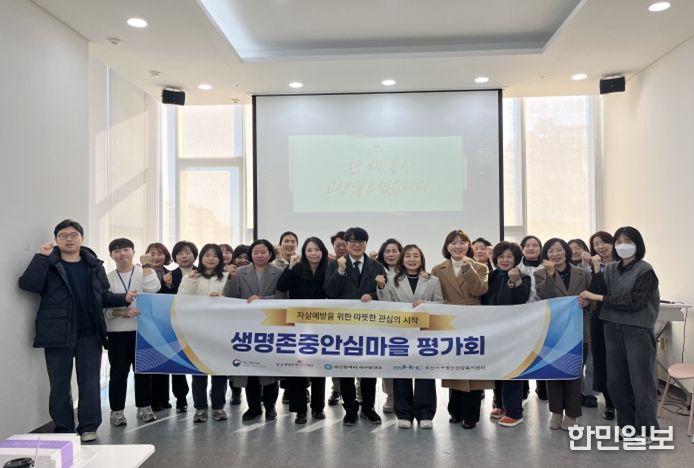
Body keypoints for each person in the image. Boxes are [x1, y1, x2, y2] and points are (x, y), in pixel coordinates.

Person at [18, 219, 134, 443]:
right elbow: (29, 285)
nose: (69, 239)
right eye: (63, 236)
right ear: (56, 240)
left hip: (90, 334)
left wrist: (124, 298)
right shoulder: (49, 263)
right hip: (57, 333)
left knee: (90, 383)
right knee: (59, 385)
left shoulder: (94, 265)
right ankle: (64, 428)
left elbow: (102, 296)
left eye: (73, 235)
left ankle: (89, 427)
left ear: (82, 238)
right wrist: (41, 257)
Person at [580, 227, 659, 438]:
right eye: (619, 242)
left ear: (638, 245)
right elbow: (598, 290)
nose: (623, 246)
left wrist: (598, 298)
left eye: (628, 241)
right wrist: (595, 274)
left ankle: (647, 429)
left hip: (637, 330)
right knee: (616, 381)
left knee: (641, 382)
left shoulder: (645, 270)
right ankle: (627, 426)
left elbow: (634, 302)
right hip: (611, 329)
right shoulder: (611, 268)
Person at [324, 227, 386, 425]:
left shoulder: (376, 266)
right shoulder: (336, 265)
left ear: (366, 244)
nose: (357, 245)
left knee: (369, 369)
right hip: (344, 327)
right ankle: (350, 409)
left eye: (361, 241)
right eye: (352, 241)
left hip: (370, 326)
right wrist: (341, 271)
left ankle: (368, 408)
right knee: (346, 370)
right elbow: (330, 291)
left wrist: (374, 294)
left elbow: (384, 294)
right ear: (347, 244)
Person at [377, 244, 442, 429]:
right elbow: (387, 305)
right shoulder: (391, 280)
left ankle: (425, 413)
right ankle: (404, 413)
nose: (412, 259)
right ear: (402, 259)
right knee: (401, 372)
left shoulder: (433, 280)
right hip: (401, 334)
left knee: (425, 373)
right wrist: (381, 287)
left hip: (424, 334)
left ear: (421, 259)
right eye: (408, 256)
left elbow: (440, 303)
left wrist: (426, 303)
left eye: (416, 256)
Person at [431, 229, 491, 430]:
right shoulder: (438, 269)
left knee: (472, 368)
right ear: (447, 246)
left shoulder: (480, 267)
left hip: (473, 320)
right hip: (449, 321)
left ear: (468, 245)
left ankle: (471, 415)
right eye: (453, 243)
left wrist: (467, 268)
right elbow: (434, 295)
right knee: (454, 366)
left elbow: (480, 290)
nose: (458, 246)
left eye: (462, 242)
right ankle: (455, 410)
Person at [224, 239, 284, 422]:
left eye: (263, 252)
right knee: (250, 369)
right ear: (251, 254)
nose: (259, 255)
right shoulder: (240, 272)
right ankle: (253, 408)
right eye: (256, 252)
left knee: (270, 371)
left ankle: (270, 407)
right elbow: (230, 297)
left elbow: (284, 297)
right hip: (247, 327)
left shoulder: (279, 272)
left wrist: (262, 300)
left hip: (271, 325)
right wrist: (230, 279)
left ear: (270, 254)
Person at [534, 238, 591, 431]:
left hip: (579, 330)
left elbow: (593, 298)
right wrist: (550, 275)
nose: (555, 254)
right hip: (554, 331)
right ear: (546, 255)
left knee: (574, 373)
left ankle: (572, 414)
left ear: (566, 252)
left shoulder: (582, 273)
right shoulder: (540, 274)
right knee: (554, 373)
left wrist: (587, 303)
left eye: (559, 250)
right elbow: (544, 296)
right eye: (550, 251)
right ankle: (556, 412)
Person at [104, 238, 161, 426]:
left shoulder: (144, 271)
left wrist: (147, 265)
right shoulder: (108, 278)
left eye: (125, 249)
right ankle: (117, 412)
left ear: (133, 252)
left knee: (143, 371)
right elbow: (103, 308)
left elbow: (153, 289)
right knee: (118, 373)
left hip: (143, 331)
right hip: (117, 333)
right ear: (111, 255)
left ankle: (144, 408)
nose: (122, 254)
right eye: (116, 251)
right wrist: (121, 312)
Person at [276, 237, 330, 424]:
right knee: (298, 366)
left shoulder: (329, 268)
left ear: (322, 252)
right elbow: (282, 287)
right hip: (297, 324)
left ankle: (318, 407)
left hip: (321, 324)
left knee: (319, 367)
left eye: (316, 250)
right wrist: (290, 267)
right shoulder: (297, 267)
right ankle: (300, 410)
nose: (313, 253)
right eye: (309, 250)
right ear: (304, 253)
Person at [177, 243, 229, 423]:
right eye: (207, 255)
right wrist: (190, 281)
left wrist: (221, 299)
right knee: (198, 371)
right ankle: (200, 408)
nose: (211, 258)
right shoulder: (191, 276)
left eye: (215, 255)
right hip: (197, 331)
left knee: (219, 371)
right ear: (201, 258)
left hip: (221, 331)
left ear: (220, 259)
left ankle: (218, 407)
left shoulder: (227, 277)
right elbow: (181, 300)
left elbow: (234, 299)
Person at [482, 241, 531, 428]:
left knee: (512, 370)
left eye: (509, 256)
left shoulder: (523, 277)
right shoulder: (491, 276)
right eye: (501, 256)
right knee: (497, 368)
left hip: (513, 332)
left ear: (516, 259)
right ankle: (499, 405)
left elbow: (521, 298)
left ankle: (514, 412)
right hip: (492, 331)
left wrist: (514, 281)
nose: (505, 260)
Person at [587, 231, 620, 420]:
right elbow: (596, 292)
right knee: (602, 361)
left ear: (613, 243)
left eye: (604, 242)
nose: (601, 246)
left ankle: (624, 400)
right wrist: (596, 269)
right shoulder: (594, 267)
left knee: (620, 361)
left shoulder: (625, 264)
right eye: (596, 244)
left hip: (621, 319)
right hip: (599, 318)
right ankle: (609, 403)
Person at [162, 240, 199, 413]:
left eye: (188, 252)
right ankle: (181, 398)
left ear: (195, 255)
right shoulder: (169, 275)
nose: (184, 256)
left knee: (201, 359)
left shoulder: (203, 273)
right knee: (178, 363)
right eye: (180, 253)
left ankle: (202, 400)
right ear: (175, 257)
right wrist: (168, 285)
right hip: (177, 324)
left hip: (200, 324)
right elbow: (165, 300)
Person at [144, 242, 174, 412]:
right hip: (147, 322)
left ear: (166, 256)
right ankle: (152, 400)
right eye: (152, 253)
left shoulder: (172, 273)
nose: (156, 257)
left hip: (167, 322)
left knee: (165, 361)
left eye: (160, 253)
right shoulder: (141, 272)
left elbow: (174, 297)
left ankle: (164, 398)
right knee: (151, 361)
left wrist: (168, 285)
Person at [375, 238, 403, 414]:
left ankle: (407, 397)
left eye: (394, 251)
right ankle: (391, 396)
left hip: (407, 325)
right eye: (387, 251)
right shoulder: (376, 271)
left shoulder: (411, 271)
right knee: (388, 362)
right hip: (384, 326)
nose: (391, 255)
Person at [517, 235, 545, 400]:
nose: (531, 248)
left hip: (543, 315)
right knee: (522, 352)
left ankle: (543, 387)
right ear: (522, 249)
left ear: (540, 249)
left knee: (541, 350)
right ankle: (523, 387)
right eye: (528, 245)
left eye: (535, 245)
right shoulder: (516, 267)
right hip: (521, 316)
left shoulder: (547, 266)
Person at [327, 231, 347, 405]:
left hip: (360, 318)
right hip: (336, 318)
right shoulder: (330, 264)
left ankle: (359, 391)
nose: (341, 247)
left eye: (344, 244)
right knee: (337, 354)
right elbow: (329, 289)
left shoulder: (363, 264)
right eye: (337, 245)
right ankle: (337, 389)